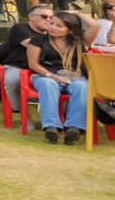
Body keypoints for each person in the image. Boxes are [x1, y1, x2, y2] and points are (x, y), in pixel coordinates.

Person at [24, 8, 89, 145]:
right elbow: (33, 64)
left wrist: (78, 14)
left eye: (59, 26)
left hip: (73, 75)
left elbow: (96, 27)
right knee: (48, 84)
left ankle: (74, 128)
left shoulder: (77, 42)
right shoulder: (38, 40)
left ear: (70, 30)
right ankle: (51, 127)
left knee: (81, 86)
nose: (53, 27)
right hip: (45, 74)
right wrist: (53, 76)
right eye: (51, 23)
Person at [0, 5, 57, 112]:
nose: (48, 20)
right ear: (31, 17)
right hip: (18, 66)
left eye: (51, 18)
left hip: (44, 68)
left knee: (64, 82)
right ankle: (19, 111)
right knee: (12, 80)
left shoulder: (54, 33)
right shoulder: (19, 29)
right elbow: (32, 45)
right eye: (44, 16)